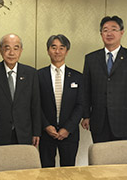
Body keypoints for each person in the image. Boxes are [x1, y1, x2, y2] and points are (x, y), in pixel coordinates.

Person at [81, 15, 127, 143]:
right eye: (105, 30)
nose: (109, 33)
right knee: (101, 160)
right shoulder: (91, 59)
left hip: (126, 123)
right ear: (101, 34)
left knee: (123, 160)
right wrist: (86, 116)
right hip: (99, 123)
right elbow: (86, 90)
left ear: (121, 32)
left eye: (113, 29)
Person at [0, 33, 41, 147]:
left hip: (24, 133)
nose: (11, 53)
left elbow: (35, 105)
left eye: (16, 48)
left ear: (21, 50)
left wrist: (36, 132)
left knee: (24, 165)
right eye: (7, 48)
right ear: (0, 50)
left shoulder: (31, 73)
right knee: (0, 164)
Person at [38, 34, 83, 167]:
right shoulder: (38, 75)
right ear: (48, 50)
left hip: (69, 134)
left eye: (61, 48)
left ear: (67, 51)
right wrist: (46, 126)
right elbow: (35, 104)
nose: (57, 51)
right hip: (46, 133)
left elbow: (80, 105)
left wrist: (67, 128)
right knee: (46, 171)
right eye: (53, 47)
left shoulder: (77, 77)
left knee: (68, 171)